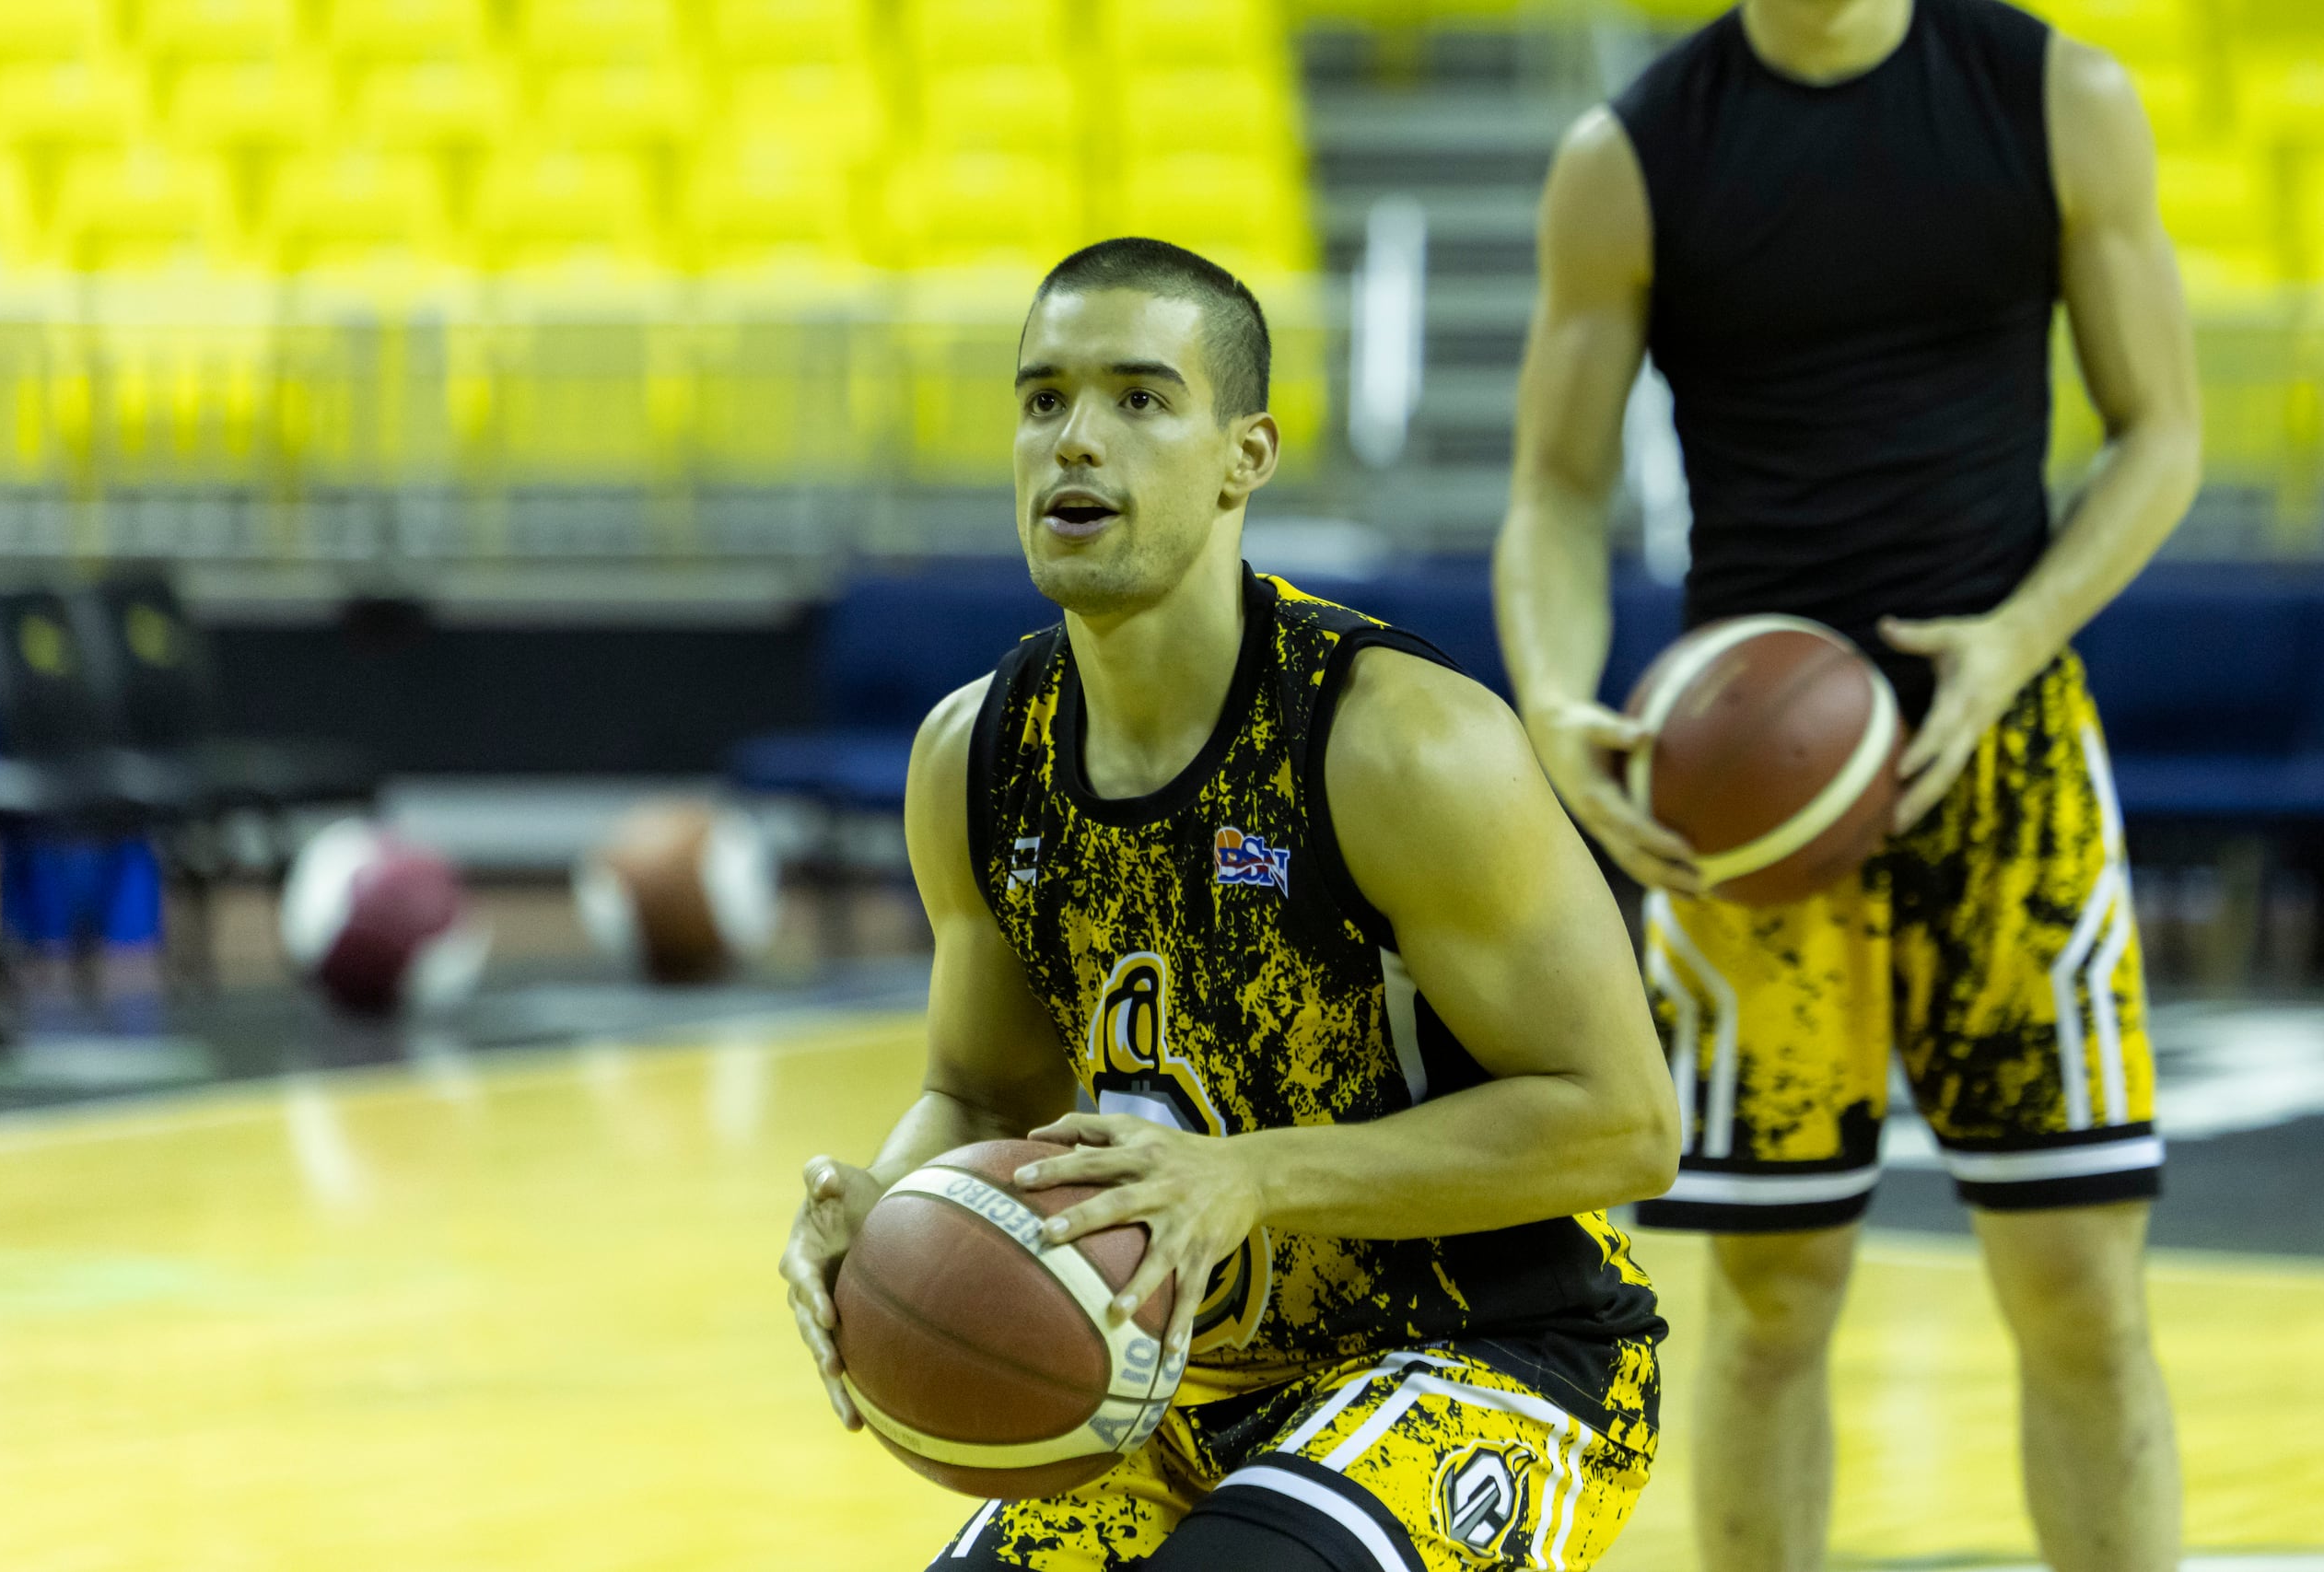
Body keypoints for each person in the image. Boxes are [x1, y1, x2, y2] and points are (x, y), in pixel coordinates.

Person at [780, 237, 1682, 1571]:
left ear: (1242, 457)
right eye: (1044, 399)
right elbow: (977, 1095)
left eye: (1140, 398)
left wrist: (1248, 1178)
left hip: (1494, 1359)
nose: (1077, 439)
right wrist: (886, 1203)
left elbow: (1627, 1123)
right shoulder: (974, 754)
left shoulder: (1398, 740)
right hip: (1164, 1384)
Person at [1492, 0, 2202, 1568]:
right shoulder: (1631, 156)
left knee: (2083, 1285)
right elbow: (1557, 484)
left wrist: (2018, 633)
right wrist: (1551, 699)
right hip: (1742, 809)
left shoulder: (2059, 95)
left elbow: (2163, 438)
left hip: (2005, 757)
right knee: (1770, 1300)